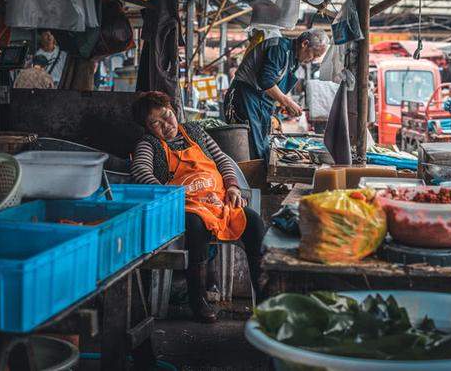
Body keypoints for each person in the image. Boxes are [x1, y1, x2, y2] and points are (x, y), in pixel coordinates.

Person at [131, 92, 266, 323]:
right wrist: (168, 197)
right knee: (196, 224)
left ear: (173, 110)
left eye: (167, 116)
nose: (165, 125)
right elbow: (140, 172)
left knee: (254, 223)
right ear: (147, 128)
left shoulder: (195, 131)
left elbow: (222, 160)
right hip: (185, 205)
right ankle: (198, 298)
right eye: (156, 123)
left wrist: (233, 187)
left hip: (217, 200)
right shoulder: (148, 144)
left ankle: (265, 302)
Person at [224, 29, 330, 161]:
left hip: (260, 100)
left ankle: (260, 178)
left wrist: (285, 103)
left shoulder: (294, 59)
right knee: (252, 144)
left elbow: (276, 85)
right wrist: (287, 102)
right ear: (305, 43)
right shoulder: (279, 49)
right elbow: (266, 81)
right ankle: (251, 179)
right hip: (245, 95)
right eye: (314, 54)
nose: (313, 59)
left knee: (263, 143)